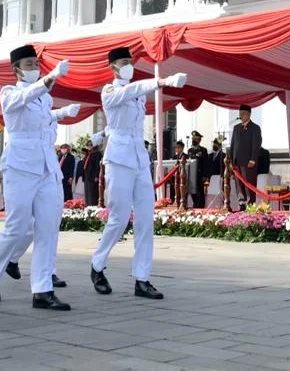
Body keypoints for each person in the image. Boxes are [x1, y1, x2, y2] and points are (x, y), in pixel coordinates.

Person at [0, 46, 75, 311]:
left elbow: (45, 123)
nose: (34, 67)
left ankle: (42, 289)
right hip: (21, 166)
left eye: (36, 63)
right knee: (17, 226)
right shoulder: (8, 92)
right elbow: (22, 99)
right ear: (16, 69)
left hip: (46, 165)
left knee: (47, 227)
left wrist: (60, 109)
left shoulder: (44, 98)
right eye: (28, 63)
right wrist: (48, 80)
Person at [90, 46, 186, 300]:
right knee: (119, 219)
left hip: (139, 160)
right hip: (119, 160)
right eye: (123, 62)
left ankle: (141, 278)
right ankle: (97, 264)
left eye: (130, 61)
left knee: (146, 220)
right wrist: (161, 81)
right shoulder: (109, 90)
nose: (128, 65)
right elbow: (127, 94)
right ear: (113, 66)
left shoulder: (138, 94)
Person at [229, 105, 262, 207]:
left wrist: (253, 159)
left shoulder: (255, 128)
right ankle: (241, 204)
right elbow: (233, 144)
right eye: (240, 114)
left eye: (242, 114)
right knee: (239, 185)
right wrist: (231, 160)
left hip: (248, 162)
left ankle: (251, 204)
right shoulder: (236, 128)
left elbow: (256, 144)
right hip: (237, 162)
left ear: (248, 114)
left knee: (249, 184)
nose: (240, 116)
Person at [186, 131, 209, 209]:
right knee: (192, 192)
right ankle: (195, 205)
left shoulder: (203, 150)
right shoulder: (189, 151)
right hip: (191, 175)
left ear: (199, 140)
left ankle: (201, 207)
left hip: (199, 175)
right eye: (193, 138)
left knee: (200, 192)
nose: (193, 140)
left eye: (195, 139)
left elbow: (206, 163)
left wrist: (205, 175)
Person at [76, 140, 101, 206]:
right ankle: (88, 207)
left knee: (92, 195)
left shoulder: (97, 154)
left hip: (93, 177)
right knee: (87, 194)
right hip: (86, 177)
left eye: (91, 145)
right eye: (88, 145)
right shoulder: (88, 154)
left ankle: (93, 208)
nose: (89, 146)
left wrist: (97, 176)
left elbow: (98, 166)